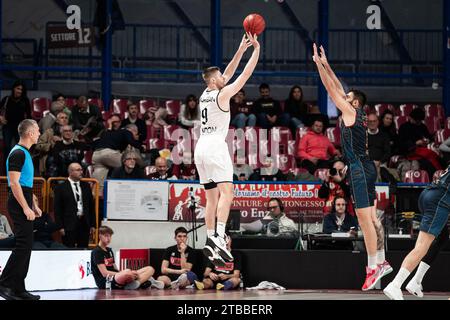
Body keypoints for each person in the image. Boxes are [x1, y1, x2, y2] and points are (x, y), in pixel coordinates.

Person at [313, 44, 391, 291]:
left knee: (364, 220)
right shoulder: (357, 112)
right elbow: (337, 86)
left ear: (354, 102)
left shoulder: (351, 110)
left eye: (347, 97)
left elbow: (329, 88)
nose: (342, 97)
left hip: (357, 167)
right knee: (370, 217)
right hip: (366, 166)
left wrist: (317, 65)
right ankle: (381, 260)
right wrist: (326, 63)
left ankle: (372, 267)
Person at [194, 32, 260, 266]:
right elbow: (243, 75)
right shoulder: (223, 94)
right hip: (214, 146)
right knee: (228, 193)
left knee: (211, 198)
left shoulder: (206, 93)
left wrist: (240, 50)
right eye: (220, 76)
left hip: (200, 148)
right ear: (214, 80)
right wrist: (256, 51)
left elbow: (230, 72)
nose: (224, 76)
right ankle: (221, 236)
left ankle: (210, 239)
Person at [383, 168, 450, 300]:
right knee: (422, 246)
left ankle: (416, 281)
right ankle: (395, 285)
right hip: (439, 200)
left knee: (442, 238)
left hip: (428, 193)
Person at [0, 119, 42, 300]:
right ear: (30, 133)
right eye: (38, 130)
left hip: (23, 197)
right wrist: (25, 207)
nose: (40, 133)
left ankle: (19, 288)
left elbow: (26, 185)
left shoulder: (24, 153)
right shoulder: (17, 153)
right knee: (22, 245)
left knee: (26, 246)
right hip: (18, 202)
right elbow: (14, 183)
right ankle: (5, 284)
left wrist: (34, 205)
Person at [91, 226, 164, 290]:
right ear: (100, 236)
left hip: (117, 277)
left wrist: (127, 273)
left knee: (150, 269)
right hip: (106, 281)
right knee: (128, 272)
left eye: (110, 236)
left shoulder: (109, 250)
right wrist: (124, 273)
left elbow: (115, 268)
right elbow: (105, 273)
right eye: (106, 236)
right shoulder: (97, 252)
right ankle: (144, 280)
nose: (109, 238)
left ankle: (136, 283)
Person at [54, 162, 96, 248]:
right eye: (78, 170)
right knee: (68, 248)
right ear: (70, 172)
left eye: (81, 170)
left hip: (84, 222)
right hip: (68, 224)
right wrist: (60, 226)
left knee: (83, 248)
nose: (81, 172)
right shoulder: (60, 187)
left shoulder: (86, 186)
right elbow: (57, 209)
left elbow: (91, 207)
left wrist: (93, 224)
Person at [92, 124, 143, 193]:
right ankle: (129, 190)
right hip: (108, 153)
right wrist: (142, 148)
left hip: (96, 155)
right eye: (136, 134)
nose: (136, 136)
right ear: (133, 131)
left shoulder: (110, 133)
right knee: (129, 165)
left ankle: (96, 200)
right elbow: (131, 141)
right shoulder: (126, 131)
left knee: (98, 184)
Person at [0, 80, 32, 167]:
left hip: (20, 128)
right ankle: (6, 170)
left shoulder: (25, 100)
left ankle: (20, 168)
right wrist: (1, 118)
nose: (19, 91)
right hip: (7, 127)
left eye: (21, 90)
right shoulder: (6, 99)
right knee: (7, 148)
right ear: (13, 88)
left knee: (21, 149)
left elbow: (29, 116)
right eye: (18, 88)